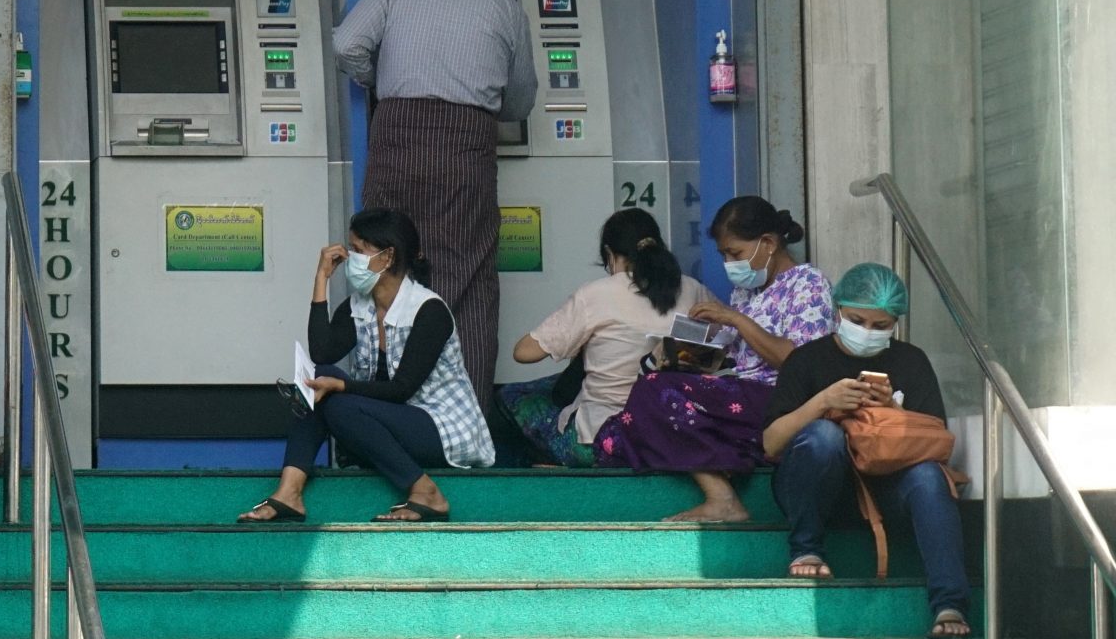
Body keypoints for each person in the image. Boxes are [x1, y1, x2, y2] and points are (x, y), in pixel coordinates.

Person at [332, 0, 537, 384]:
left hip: (396, 137)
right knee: (467, 274)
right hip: (467, 149)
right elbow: (520, 101)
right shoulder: (506, 8)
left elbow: (346, 45)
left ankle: (383, 408)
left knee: (384, 264)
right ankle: (465, 426)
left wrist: (377, 82)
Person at [238, 207, 494, 526]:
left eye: (358, 250)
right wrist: (320, 280)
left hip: (441, 429)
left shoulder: (429, 311)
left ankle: (426, 492)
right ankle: (289, 493)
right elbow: (323, 352)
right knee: (319, 379)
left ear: (387, 257)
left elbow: (402, 390)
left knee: (337, 401)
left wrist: (342, 387)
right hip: (386, 424)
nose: (351, 257)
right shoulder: (360, 306)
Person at [762, 262, 970, 639]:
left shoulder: (911, 361)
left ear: (895, 324)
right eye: (857, 320)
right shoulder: (806, 360)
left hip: (885, 490)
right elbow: (772, 444)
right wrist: (823, 401)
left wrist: (892, 410)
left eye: (881, 326)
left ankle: (949, 603)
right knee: (823, 436)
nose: (868, 332)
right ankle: (806, 548)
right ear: (838, 310)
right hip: (820, 487)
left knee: (928, 477)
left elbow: (935, 441)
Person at [595, 194, 833, 522]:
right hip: (736, 395)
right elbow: (737, 357)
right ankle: (728, 458)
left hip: (780, 401)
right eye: (723, 255)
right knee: (613, 436)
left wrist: (736, 320)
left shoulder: (808, 284)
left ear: (768, 243)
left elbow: (800, 363)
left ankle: (723, 498)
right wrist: (689, 354)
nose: (729, 264)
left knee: (653, 392)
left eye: (734, 253)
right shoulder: (746, 293)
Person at [503, 208, 714, 466]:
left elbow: (524, 353)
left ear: (610, 254)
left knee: (512, 397)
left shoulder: (596, 294)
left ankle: (545, 467)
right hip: (672, 428)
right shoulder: (693, 289)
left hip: (602, 436)